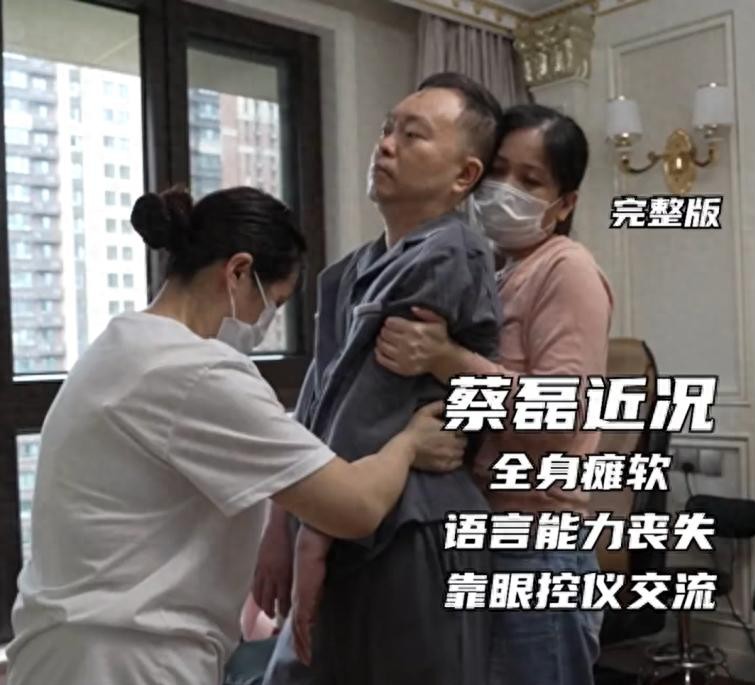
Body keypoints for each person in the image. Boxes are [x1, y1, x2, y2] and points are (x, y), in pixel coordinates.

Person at [6, 186, 466, 685]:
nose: (264, 324)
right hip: (127, 660)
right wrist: (408, 444)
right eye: (273, 303)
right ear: (239, 271)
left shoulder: (121, 346)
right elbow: (355, 506)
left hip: (64, 651)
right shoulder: (196, 371)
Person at [257, 73, 503, 685]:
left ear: (464, 175)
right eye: (388, 129)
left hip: (413, 523)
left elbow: (373, 402)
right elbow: (318, 399)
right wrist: (281, 519)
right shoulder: (347, 273)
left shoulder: (450, 253)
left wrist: (312, 533)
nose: (386, 144)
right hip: (340, 510)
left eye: (413, 135)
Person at [374, 104, 613, 685]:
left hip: (537, 541)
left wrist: (448, 359)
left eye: (530, 180)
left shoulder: (567, 268)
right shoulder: (494, 269)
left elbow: (560, 415)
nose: (506, 190)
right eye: (499, 171)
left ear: (565, 203)